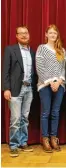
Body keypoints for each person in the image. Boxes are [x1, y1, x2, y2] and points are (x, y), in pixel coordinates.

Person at [3, 26, 35, 157]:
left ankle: (23, 142)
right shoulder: (10, 50)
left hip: (29, 89)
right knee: (15, 119)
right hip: (16, 89)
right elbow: (5, 71)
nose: (24, 35)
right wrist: (6, 88)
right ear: (16, 36)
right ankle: (14, 145)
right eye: (21, 33)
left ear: (29, 35)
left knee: (24, 118)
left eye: (26, 33)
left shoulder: (31, 51)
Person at [36, 24, 66, 153]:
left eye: (55, 33)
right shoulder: (41, 48)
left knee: (55, 112)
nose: (53, 35)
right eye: (51, 33)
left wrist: (58, 81)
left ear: (57, 35)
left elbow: (64, 68)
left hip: (59, 84)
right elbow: (40, 67)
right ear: (46, 34)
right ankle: (45, 139)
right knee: (46, 112)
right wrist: (50, 82)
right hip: (45, 85)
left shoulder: (62, 51)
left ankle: (54, 137)